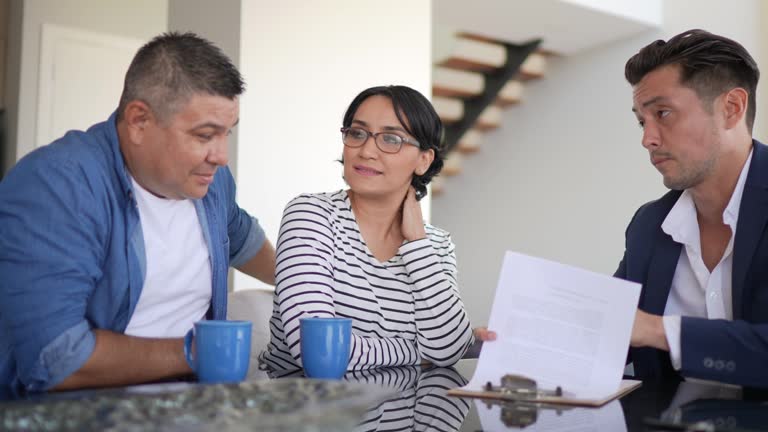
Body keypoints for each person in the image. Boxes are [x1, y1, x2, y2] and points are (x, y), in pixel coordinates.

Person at [0, 32, 276, 393]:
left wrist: (309, 283)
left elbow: (240, 235)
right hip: (85, 412)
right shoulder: (57, 186)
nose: (221, 156)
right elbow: (57, 360)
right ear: (139, 121)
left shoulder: (212, 183)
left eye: (227, 134)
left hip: (196, 405)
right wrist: (197, 352)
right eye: (205, 135)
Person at [260, 85, 483, 375]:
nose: (366, 151)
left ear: (423, 160)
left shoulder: (436, 245)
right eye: (357, 133)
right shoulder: (311, 216)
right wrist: (420, 351)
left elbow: (449, 347)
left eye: (390, 139)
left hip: (404, 407)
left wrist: (417, 243)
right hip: (309, 409)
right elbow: (318, 351)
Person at [617, 29, 768, 387]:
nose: (647, 138)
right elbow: (612, 331)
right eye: (642, 121)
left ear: (731, 109)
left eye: (663, 113)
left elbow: (640, 327)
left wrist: (660, 331)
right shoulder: (649, 224)